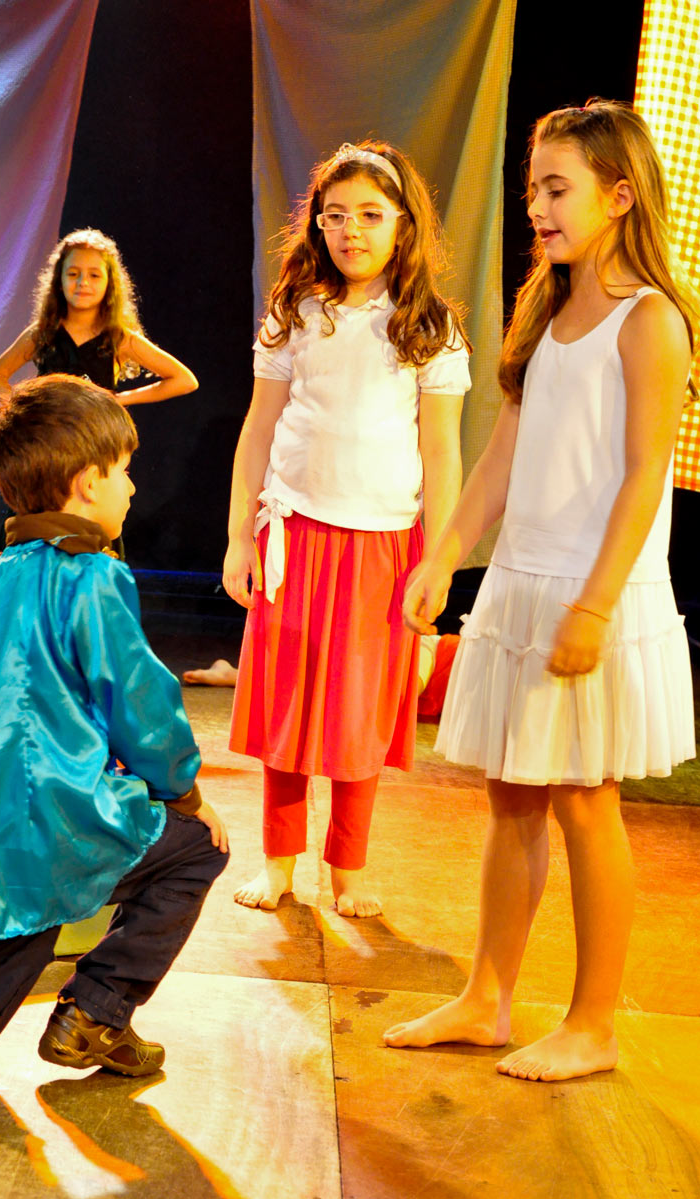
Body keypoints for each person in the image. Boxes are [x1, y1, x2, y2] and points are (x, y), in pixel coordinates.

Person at [384, 100, 698, 1081]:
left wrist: (593, 607)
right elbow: (502, 460)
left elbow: (644, 476)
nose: (537, 207)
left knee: (584, 801)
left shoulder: (650, 320)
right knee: (511, 797)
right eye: (531, 190)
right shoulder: (547, 310)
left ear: (619, 195)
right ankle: (486, 997)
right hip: (523, 580)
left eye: (556, 189)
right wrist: (443, 556)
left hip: (593, 588)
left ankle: (592, 1022)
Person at [0, 375, 229, 1093]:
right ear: (87, 484)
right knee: (198, 849)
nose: (132, 488)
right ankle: (95, 1011)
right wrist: (184, 794)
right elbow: (141, 703)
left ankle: (95, 1017)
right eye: (124, 471)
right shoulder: (90, 578)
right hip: (51, 836)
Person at [223, 140, 471, 917]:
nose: (350, 230)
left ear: (402, 224)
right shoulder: (295, 313)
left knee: (357, 716)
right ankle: (278, 862)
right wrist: (238, 536)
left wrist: (439, 559)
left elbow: (442, 450)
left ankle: (348, 870)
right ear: (316, 225)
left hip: (382, 549)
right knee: (287, 711)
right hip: (294, 537)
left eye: (369, 214)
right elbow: (259, 428)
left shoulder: (428, 327)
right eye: (334, 216)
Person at [0, 228, 198, 403]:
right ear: (59, 280)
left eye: (94, 275)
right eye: (73, 274)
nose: (83, 282)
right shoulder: (43, 332)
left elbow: (184, 380)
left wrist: (118, 400)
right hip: (46, 438)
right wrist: (25, 410)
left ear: (109, 283)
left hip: (96, 438)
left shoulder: (119, 338)